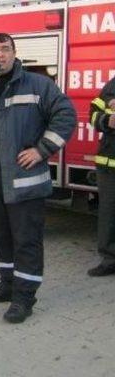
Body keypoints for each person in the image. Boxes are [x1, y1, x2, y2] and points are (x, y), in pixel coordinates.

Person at [0, 32, 76, 323]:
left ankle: (24, 298)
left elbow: (66, 115)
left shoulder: (36, 84)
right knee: (2, 237)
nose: (0, 55)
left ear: (14, 52)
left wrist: (42, 149)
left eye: (5, 49)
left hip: (24, 180)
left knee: (26, 241)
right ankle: (7, 285)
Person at [87, 77, 115, 276]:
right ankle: (110, 259)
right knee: (108, 213)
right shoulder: (112, 85)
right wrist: (107, 120)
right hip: (108, 165)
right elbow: (93, 115)